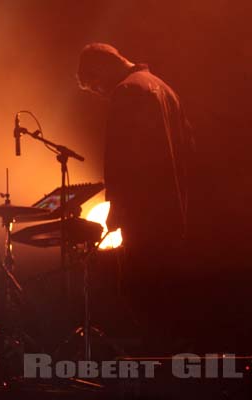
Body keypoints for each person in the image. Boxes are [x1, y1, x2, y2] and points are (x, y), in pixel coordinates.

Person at [76, 43, 195, 344]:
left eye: (95, 85)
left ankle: (144, 372)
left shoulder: (127, 92)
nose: (99, 92)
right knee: (170, 299)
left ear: (102, 69)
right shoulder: (165, 89)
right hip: (172, 214)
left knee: (140, 296)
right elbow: (188, 149)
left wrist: (117, 206)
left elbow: (120, 156)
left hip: (144, 215)